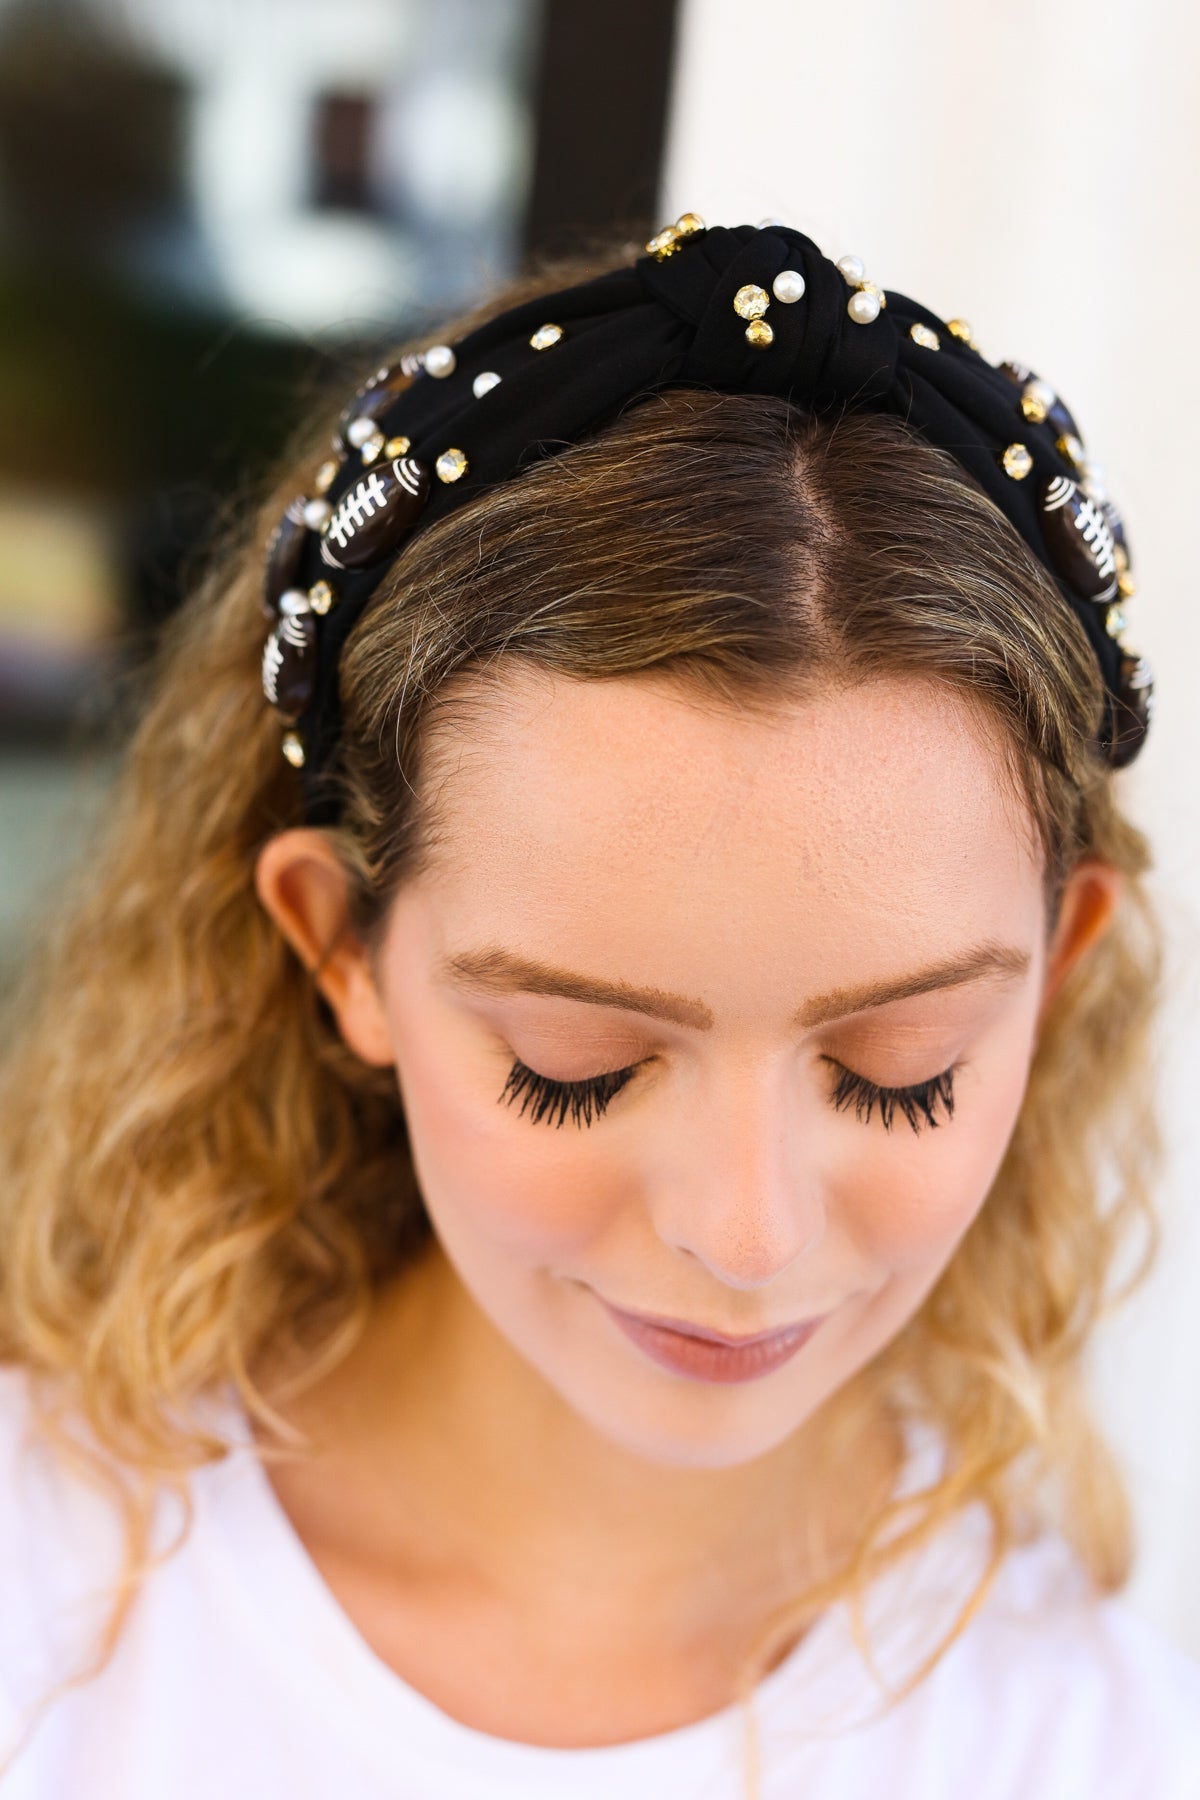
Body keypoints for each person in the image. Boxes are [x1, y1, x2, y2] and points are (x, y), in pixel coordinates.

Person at [0, 214, 1194, 1800]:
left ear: (1057, 978)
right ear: (338, 945)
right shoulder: (49, 1592)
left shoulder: (1075, 1733)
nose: (745, 1231)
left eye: (903, 1071)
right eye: (577, 1066)